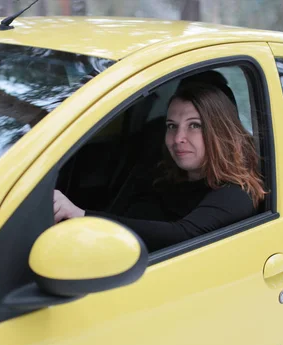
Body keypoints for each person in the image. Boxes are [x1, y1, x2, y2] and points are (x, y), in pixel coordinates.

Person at [53, 83, 266, 252]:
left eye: (195, 125)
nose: (178, 138)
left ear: (220, 132)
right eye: (172, 126)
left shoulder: (237, 194)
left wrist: (82, 216)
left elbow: (182, 236)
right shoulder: (162, 175)